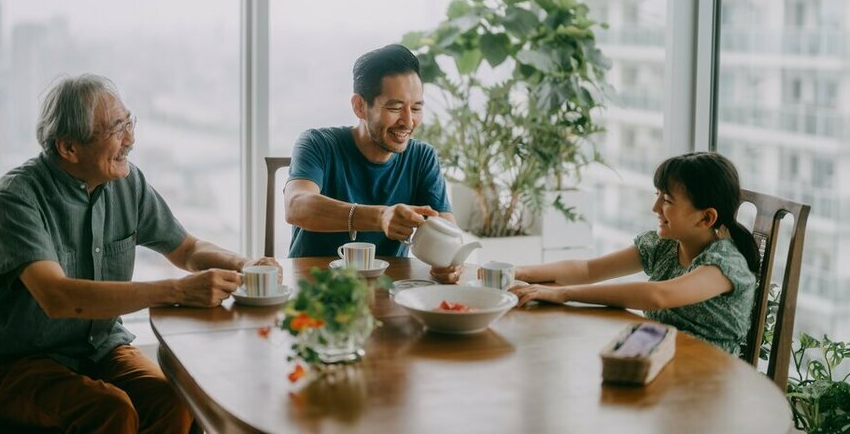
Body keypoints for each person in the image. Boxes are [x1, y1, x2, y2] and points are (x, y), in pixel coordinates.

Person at [0, 74, 280, 433]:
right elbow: (59, 297)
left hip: (95, 347)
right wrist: (178, 291)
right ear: (68, 148)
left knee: (176, 400)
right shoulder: (16, 198)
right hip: (3, 364)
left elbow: (188, 248)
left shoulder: (127, 182)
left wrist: (244, 263)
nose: (131, 140)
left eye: (129, 122)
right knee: (111, 412)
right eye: (117, 129)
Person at [510, 152, 759, 355]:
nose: (655, 207)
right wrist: (517, 272)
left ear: (706, 217)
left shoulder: (726, 264)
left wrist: (563, 294)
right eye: (657, 195)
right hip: (662, 357)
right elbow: (588, 269)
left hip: (711, 376)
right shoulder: (663, 246)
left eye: (668, 201)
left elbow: (658, 296)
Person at [284, 44, 460, 283]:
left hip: (389, 290)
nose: (408, 121)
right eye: (395, 107)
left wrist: (449, 261)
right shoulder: (318, 143)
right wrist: (380, 217)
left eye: (417, 108)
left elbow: (446, 227)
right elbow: (296, 206)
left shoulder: (422, 157)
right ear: (359, 106)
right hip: (315, 291)